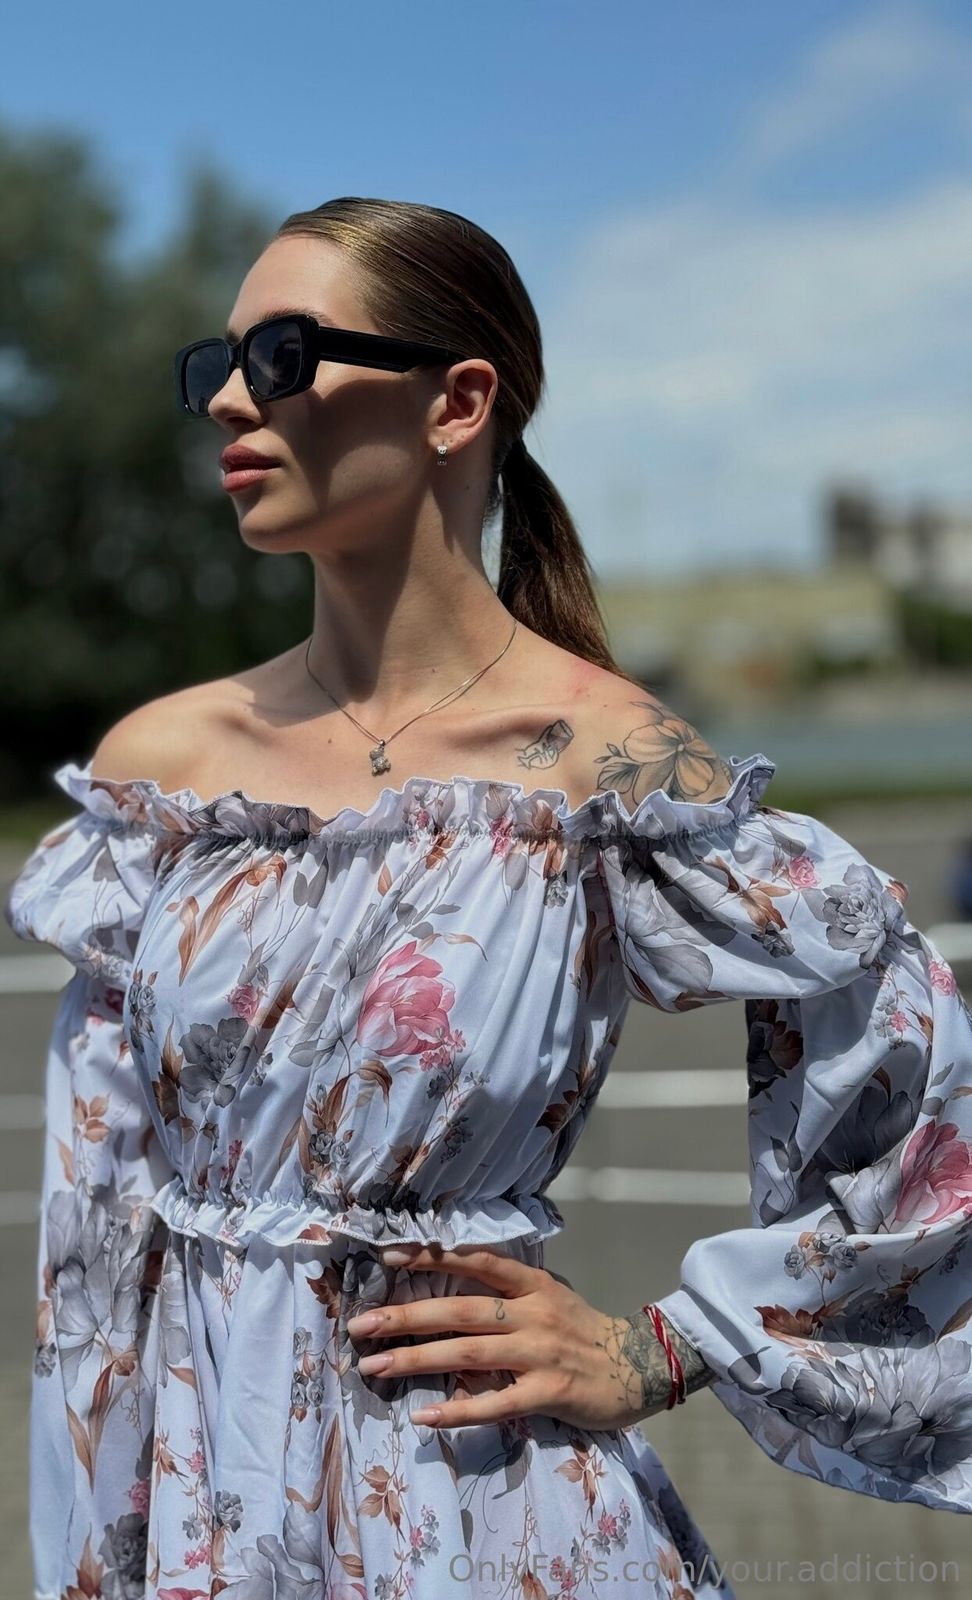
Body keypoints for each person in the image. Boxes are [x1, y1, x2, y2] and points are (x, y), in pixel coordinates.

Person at [6, 196, 972, 1600]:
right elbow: (91, 1241)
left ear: (456, 403)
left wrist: (667, 1346)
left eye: (282, 354)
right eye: (213, 361)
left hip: (483, 1506)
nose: (224, 398)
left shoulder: (603, 767)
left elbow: (913, 1061)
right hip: (208, 1509)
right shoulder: (167, 772)